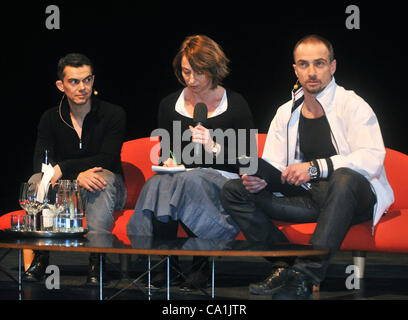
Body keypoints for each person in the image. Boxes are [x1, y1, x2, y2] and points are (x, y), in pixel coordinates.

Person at [220, 34, 394, 299]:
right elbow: (275, 164)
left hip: (354, 197)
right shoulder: (285, 112)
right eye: (304, 64)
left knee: (344, 178)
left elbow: (371, 158)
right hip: (310, 198)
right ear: (295, 69)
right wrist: (262, 179)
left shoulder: (353, 105)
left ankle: (305, 276)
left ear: (333, 66)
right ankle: (284, 268)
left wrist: (315, 167)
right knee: (234, 190)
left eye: (319, 64)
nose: (312, 72)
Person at [126, 34, 256, 291]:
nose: (191, 80)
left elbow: (248, 159)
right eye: (186, 72)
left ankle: (200, 265)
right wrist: (168, 162)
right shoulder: (168, 105)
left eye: (199, 73)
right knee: (159, 182)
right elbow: (167, 152)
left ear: (214, 70)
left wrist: (214, 147)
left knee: (190, 180)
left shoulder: (236, 103)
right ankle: (165, 265)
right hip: (180, 178)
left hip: (221, 181)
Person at [23, 53, 127, 286]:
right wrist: (72, 177)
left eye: (87, 80)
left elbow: (108, 159)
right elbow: (41, 162)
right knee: (36, 180)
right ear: (61, 85)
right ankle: (41, 258)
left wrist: (66, 168)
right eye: (74, 81)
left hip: (109, 185)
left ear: (93, 80)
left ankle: (96, 261)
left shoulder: (113, 114)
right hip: (65, 187)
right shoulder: (50, 118)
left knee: (101, 179)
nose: (82, 87)